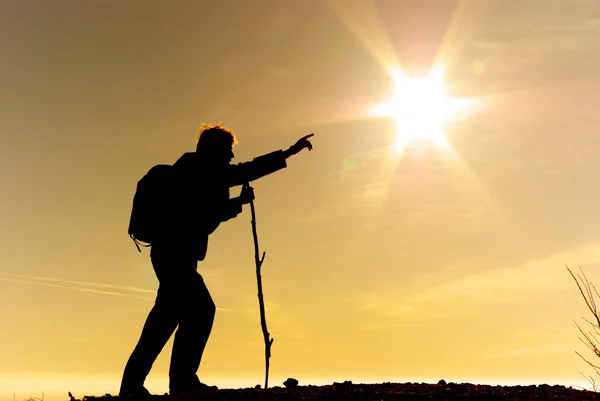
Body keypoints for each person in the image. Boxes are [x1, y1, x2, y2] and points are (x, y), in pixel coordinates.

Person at [119, 123, 314, 397]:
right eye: (228, 151)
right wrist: (289, 152)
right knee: (200, 310)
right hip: (174, 256)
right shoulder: (200, 171)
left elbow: (203, 213)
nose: (232, 157)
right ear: (214, 149)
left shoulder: (192, 171)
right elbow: (211, 205)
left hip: (172, 255)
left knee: (164, 320)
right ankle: (181, 382)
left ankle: (134, 386)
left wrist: (237, 202)